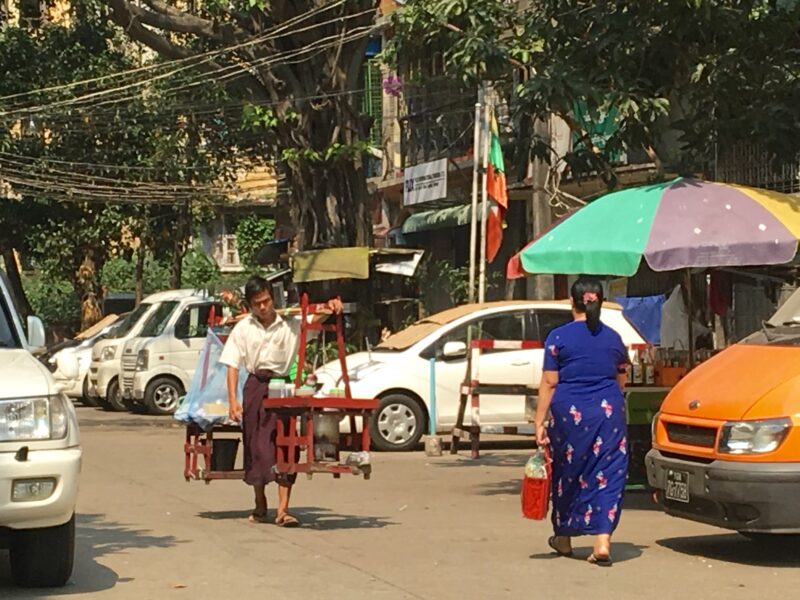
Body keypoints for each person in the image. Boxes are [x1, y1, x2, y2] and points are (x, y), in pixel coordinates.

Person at [219, 275, 342, 527]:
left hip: (283, 387)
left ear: (272, 298)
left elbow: (316, 318)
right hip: (255, 388)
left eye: (265, 301)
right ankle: (260, 502)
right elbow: (232, 364)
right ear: (250, 304)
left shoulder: (290, 324)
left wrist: (331, 306)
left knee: (286, 445)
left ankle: (283, 509)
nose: (263, 307)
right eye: (257, 303)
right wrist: (233, 400)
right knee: (256, 445)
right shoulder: (243, 328)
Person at [534, 277, 629, 566]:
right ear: (599, 301)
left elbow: (549, 383)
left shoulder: (558, 338)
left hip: (569, 415)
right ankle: (602, 540)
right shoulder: (614, 338)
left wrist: (539, 422)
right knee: (609, 472)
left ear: (570, 302)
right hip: (607, 413)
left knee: (568, 472)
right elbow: (622, 380)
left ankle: (563, 537)